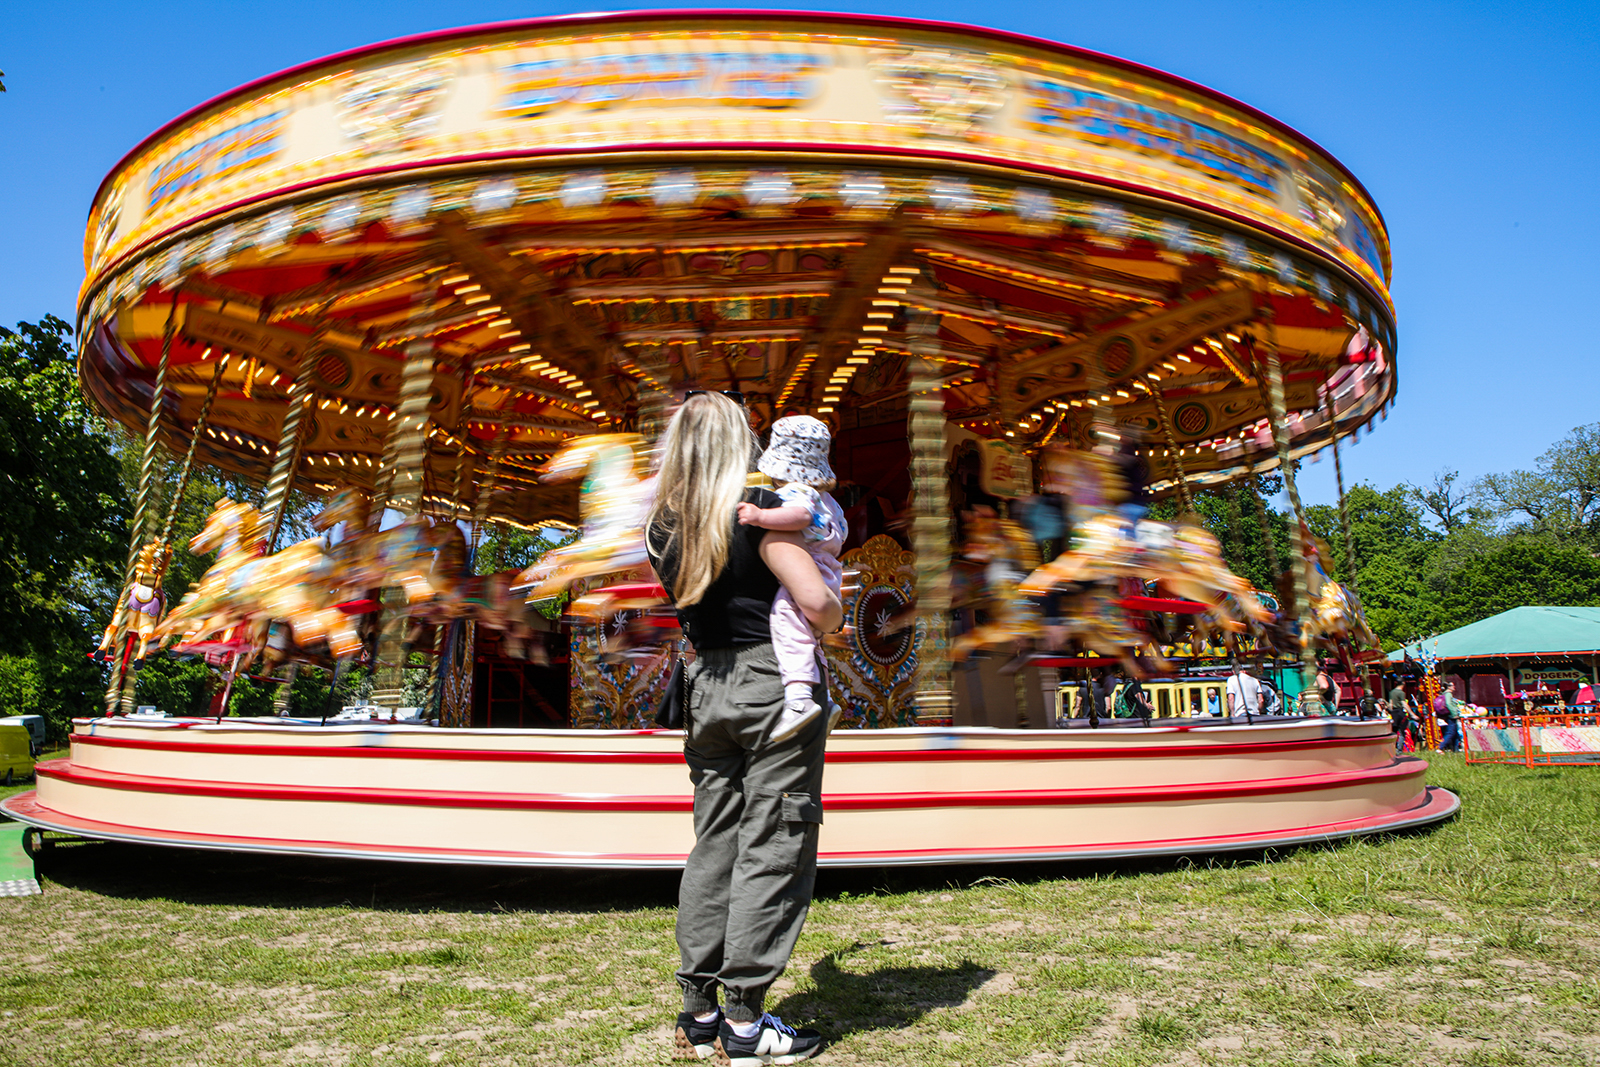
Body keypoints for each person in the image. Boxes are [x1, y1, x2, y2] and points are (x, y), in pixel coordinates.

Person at [645, 393, 842, 1065]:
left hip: (706, 683)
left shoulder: (661, 525)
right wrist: (836, 610)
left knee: (716, 842)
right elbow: (815, 603)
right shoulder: (760, 506)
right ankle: (746, 1022)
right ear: (740, 440)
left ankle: (698, 1010)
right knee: (775, 839)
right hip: (771, 679)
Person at [735, 416, 847, 743]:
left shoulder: (798, 492)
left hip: (812, 566)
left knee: (786, 617)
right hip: (828, 570)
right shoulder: (829, 500)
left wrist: (761, 516)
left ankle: (798, 699)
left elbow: (800, 515)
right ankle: (824, 698)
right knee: (809, 637)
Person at [1439, 680, 1463, 752]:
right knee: (1450, 733)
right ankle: (1440, 747)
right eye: (1453, 685)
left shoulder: (1444, 694)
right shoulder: (1448, 694)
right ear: (1449, 687)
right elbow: (1448, 704)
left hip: (1448, 715)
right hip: (1451, 716)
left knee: (1455, 733)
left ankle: (1455, 749)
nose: (1454, 687)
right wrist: (1454, 714)